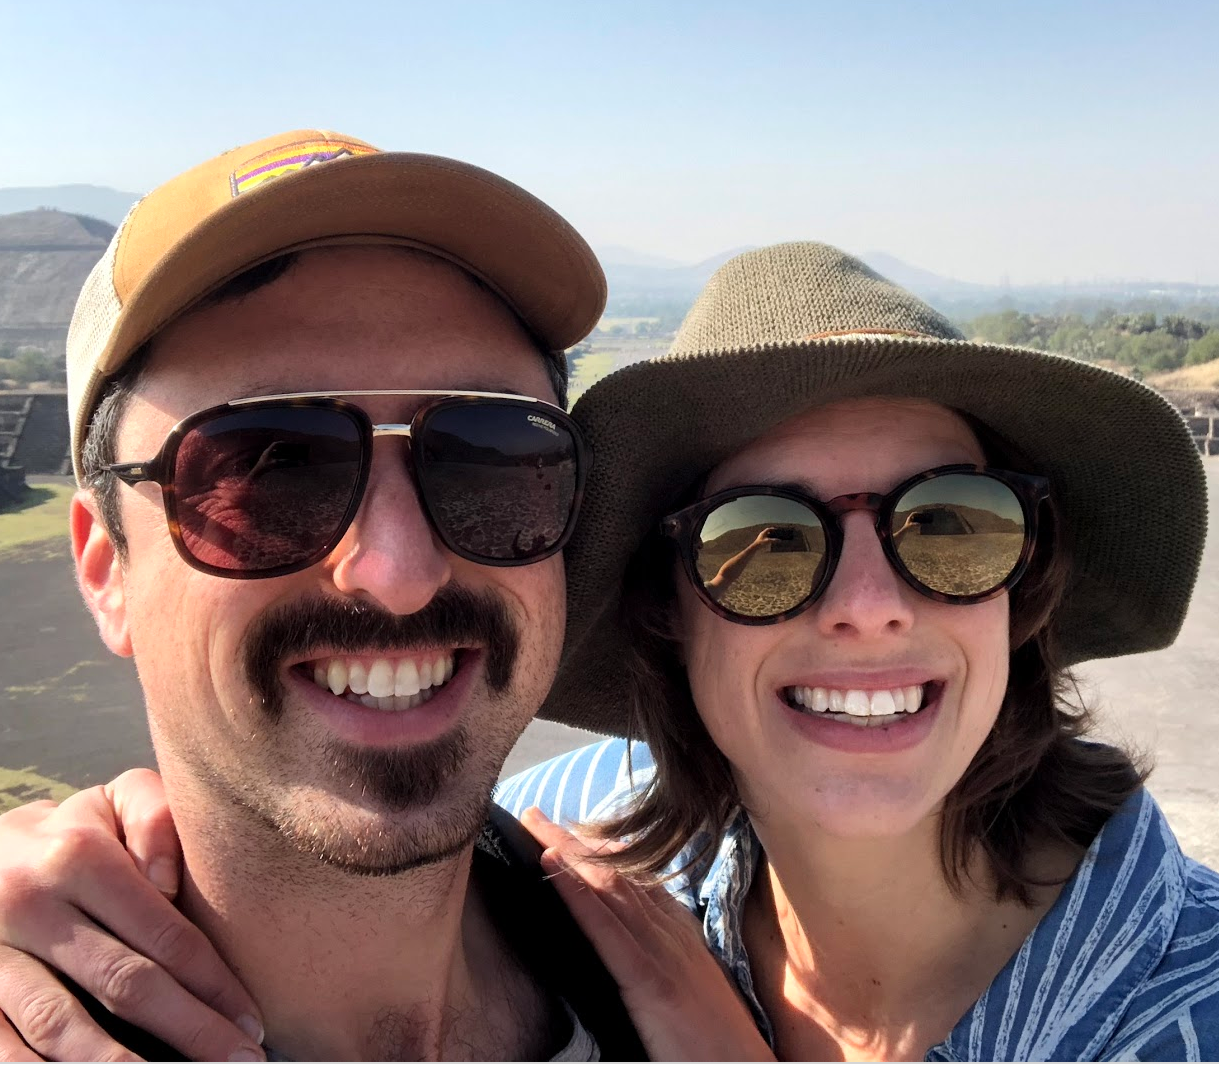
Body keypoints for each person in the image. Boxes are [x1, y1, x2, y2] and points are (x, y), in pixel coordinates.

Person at [3, 241, 1217, 1059]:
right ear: (665, 607)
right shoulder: (581, 842)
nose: (866, 604)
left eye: (951, 527)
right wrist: (88, 863)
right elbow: (343, 809)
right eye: (764, 543)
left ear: (1020, 588)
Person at [0, 126, 666, 1062]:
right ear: (107, 569)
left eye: (494, 460)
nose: (397, 572)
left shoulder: (660, 965)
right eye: (271, 469)